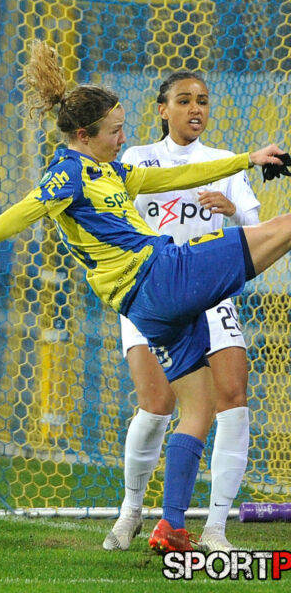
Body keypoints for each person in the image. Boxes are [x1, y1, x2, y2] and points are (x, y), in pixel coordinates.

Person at [0, 40, 290, 554]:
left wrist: (249, 160)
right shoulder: (69, 173)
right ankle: (143, 514)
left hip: (147, 308)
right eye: (115, 131)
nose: (124, 137)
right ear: (84, 135)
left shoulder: (114, 171)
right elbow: (26, 210)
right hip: (162, 275)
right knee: (285, 226)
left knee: (199, 407)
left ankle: (171, 528)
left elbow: (178, 174)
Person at [103, 71, 260, 554]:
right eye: (185, 100)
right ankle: (132, 509)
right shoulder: (135, 160)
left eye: (204, 101)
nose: (196, 109)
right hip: (152, 295)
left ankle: (215, 529)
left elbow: (257, 227)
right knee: (156, 402)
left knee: (232, 399)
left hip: (212, 294)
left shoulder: (223, 162)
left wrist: (232, 208)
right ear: (162, 109)